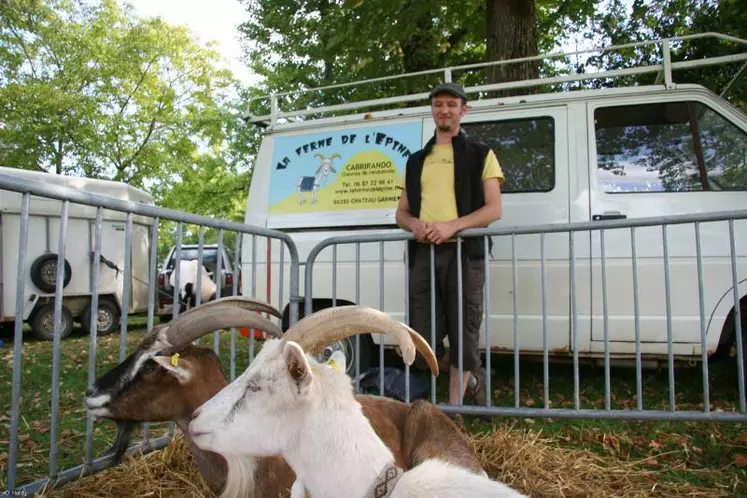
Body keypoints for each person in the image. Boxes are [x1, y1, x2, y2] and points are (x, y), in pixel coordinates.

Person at [395, 82, 504, 411]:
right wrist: (414, 224)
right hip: (424, 256)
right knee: (421, 332)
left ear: (463, 110)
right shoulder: (416, 160)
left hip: (464, 254)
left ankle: (454, 410)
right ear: (432, 110)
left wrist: (451, 226)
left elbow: (493, 209)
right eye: (438, 104)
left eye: (452, 104)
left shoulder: (481, 154)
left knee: (463, 331)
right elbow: (401, 213)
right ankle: (428, 405)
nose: (444, 110)